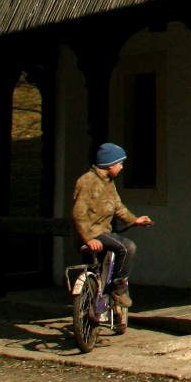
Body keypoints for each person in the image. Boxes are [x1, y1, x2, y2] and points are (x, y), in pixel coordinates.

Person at [70, 142, 152, 335]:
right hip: (92, 233)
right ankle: (118, 286)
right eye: (120, 163)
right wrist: (88, 238)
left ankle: (100, 306)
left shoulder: (108, 183)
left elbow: (118, 207)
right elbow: (79, 214)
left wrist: (134, 220)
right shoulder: (87, 181)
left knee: (103, 268)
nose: (122, 167)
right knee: (127, 247)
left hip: (101, 233)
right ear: (110, 164)